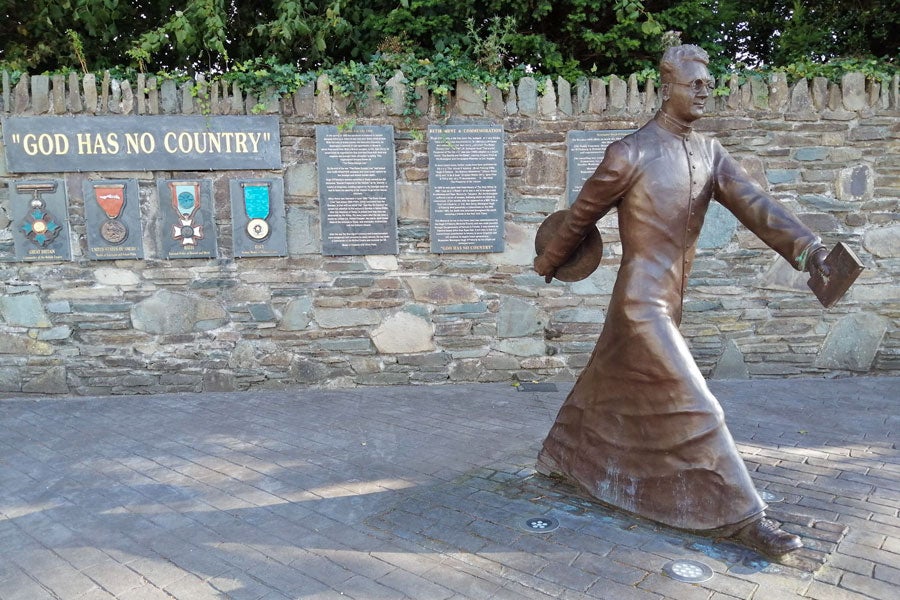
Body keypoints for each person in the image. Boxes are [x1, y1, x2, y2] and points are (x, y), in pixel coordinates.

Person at [533, 44, 830, 557]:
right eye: (693, 83)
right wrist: (547, 262)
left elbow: (757, 206)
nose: (703, 91)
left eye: (707, 84)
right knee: (698, 408)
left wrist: (808, 251)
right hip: (639, 303)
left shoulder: (711, 154)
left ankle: (565, 457)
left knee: (604, 392)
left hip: (671, 302)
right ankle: (744, 517)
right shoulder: (630, 152)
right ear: (664, 86)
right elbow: (580, 217)